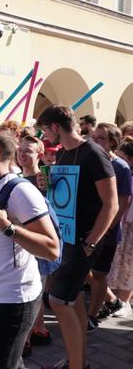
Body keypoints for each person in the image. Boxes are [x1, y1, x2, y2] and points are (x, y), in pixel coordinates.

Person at [0, 127, 60, 369]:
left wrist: (7, 226)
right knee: (11, 362)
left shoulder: (20, 191)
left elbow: (51, 248)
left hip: (13, 300)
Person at [36, 105, 118, 369]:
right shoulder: (64, 154)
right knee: (72, 302)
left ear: (55, 127)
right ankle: (77, 361)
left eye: (46, 131)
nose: (45, 137)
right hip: (66, 237)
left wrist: (91, 242)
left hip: (84, 240)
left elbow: (112, 204)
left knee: (59, 300)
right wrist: (48, 185)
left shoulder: (94, 153)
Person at [86, 123, 132, 331]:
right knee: (84, 270)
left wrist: (105, 228)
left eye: (101, 138)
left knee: (99, 273)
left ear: (113, 142)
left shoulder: (120, 167)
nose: (95, 142)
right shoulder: (90, 161)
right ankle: (112, 302)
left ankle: (92, 315)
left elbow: (122, 203)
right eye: (94, 137)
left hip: (108, 231)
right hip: (87, 228)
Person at [17, 136, 53, 356]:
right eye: (20, 150)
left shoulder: (45, 179)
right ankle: (39, 329)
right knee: (33, 290)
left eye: (28, 151)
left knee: (33, 291)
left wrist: (49, 190)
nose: (22, 153)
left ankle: (27, 339)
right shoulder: (17, 178)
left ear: (40, 155)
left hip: (38, 243)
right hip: (21, 242)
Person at [108, 137, 133, 317]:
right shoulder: (124, 174)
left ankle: (125, 302)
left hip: (130, 226)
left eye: (121, 156)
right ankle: (116, 300)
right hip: (123, 224)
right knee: (118, 264)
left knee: (128, 266)